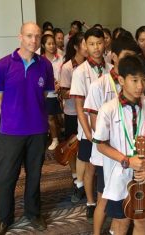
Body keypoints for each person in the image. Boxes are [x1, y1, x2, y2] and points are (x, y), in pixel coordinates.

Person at [0, 22, 54, 235]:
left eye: (37, 37)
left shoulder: (45, 65)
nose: (33, 41)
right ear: (20, 37)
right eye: (29, 36)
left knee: (34, 175)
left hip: (37, 130)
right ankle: (4, 218)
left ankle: (33, 213)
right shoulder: (2, 65)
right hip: (10, 132)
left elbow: (42, 96)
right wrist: (13, 118)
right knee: (6, 177)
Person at [93, 54, 145, 235]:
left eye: (143, 80)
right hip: (120, 175)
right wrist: (126, 160)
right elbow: (100, 145)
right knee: (121, 222)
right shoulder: (108, 109)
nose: (140, 86)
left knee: (143, 220)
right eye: (134, 80)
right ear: (121, 80)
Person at [84, 37, 141, 235]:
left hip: (130, 156)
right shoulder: (99, 85)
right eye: (126, 58)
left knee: (127, 195)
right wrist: (116, 149)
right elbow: (93, 122)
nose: (130, 63)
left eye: (133, 58)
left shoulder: (137, 86)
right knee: (104, 198)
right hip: (107, 154)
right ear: (114, 57)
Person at [69, 27, 112, 218]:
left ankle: (108, 198)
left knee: (109, 165)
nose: (96, 48)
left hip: (110, 128)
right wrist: (87, 132)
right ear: (85, 45)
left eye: (99, 43)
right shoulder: (80, 71)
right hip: (88, 129)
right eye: (91, 44)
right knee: (90, 167)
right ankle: (90, 201)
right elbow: (79, 105)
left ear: (105, 43)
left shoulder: (111, 68)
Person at [59, 32, 87, 189]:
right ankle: (75, 173)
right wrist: (78, 91)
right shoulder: (68, 67)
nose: (87, 47)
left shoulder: (92, 66)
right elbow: (63, 93)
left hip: (87, 112)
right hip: (72, 112)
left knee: (84, 145)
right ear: (76, 46)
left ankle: (84, 173)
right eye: (84, 44)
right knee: (72, 144)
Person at [40, 34, 64, 151]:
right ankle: (55, 139)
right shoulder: (41, 61)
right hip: (48, 93)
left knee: (61, 117)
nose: (52, 46)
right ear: (43, 46)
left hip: (61, 92)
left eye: (53, 43)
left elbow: (65, 73)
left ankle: (65, 137)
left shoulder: (60, 58)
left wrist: (61, 84)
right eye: (49, 44)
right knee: (50, 117)